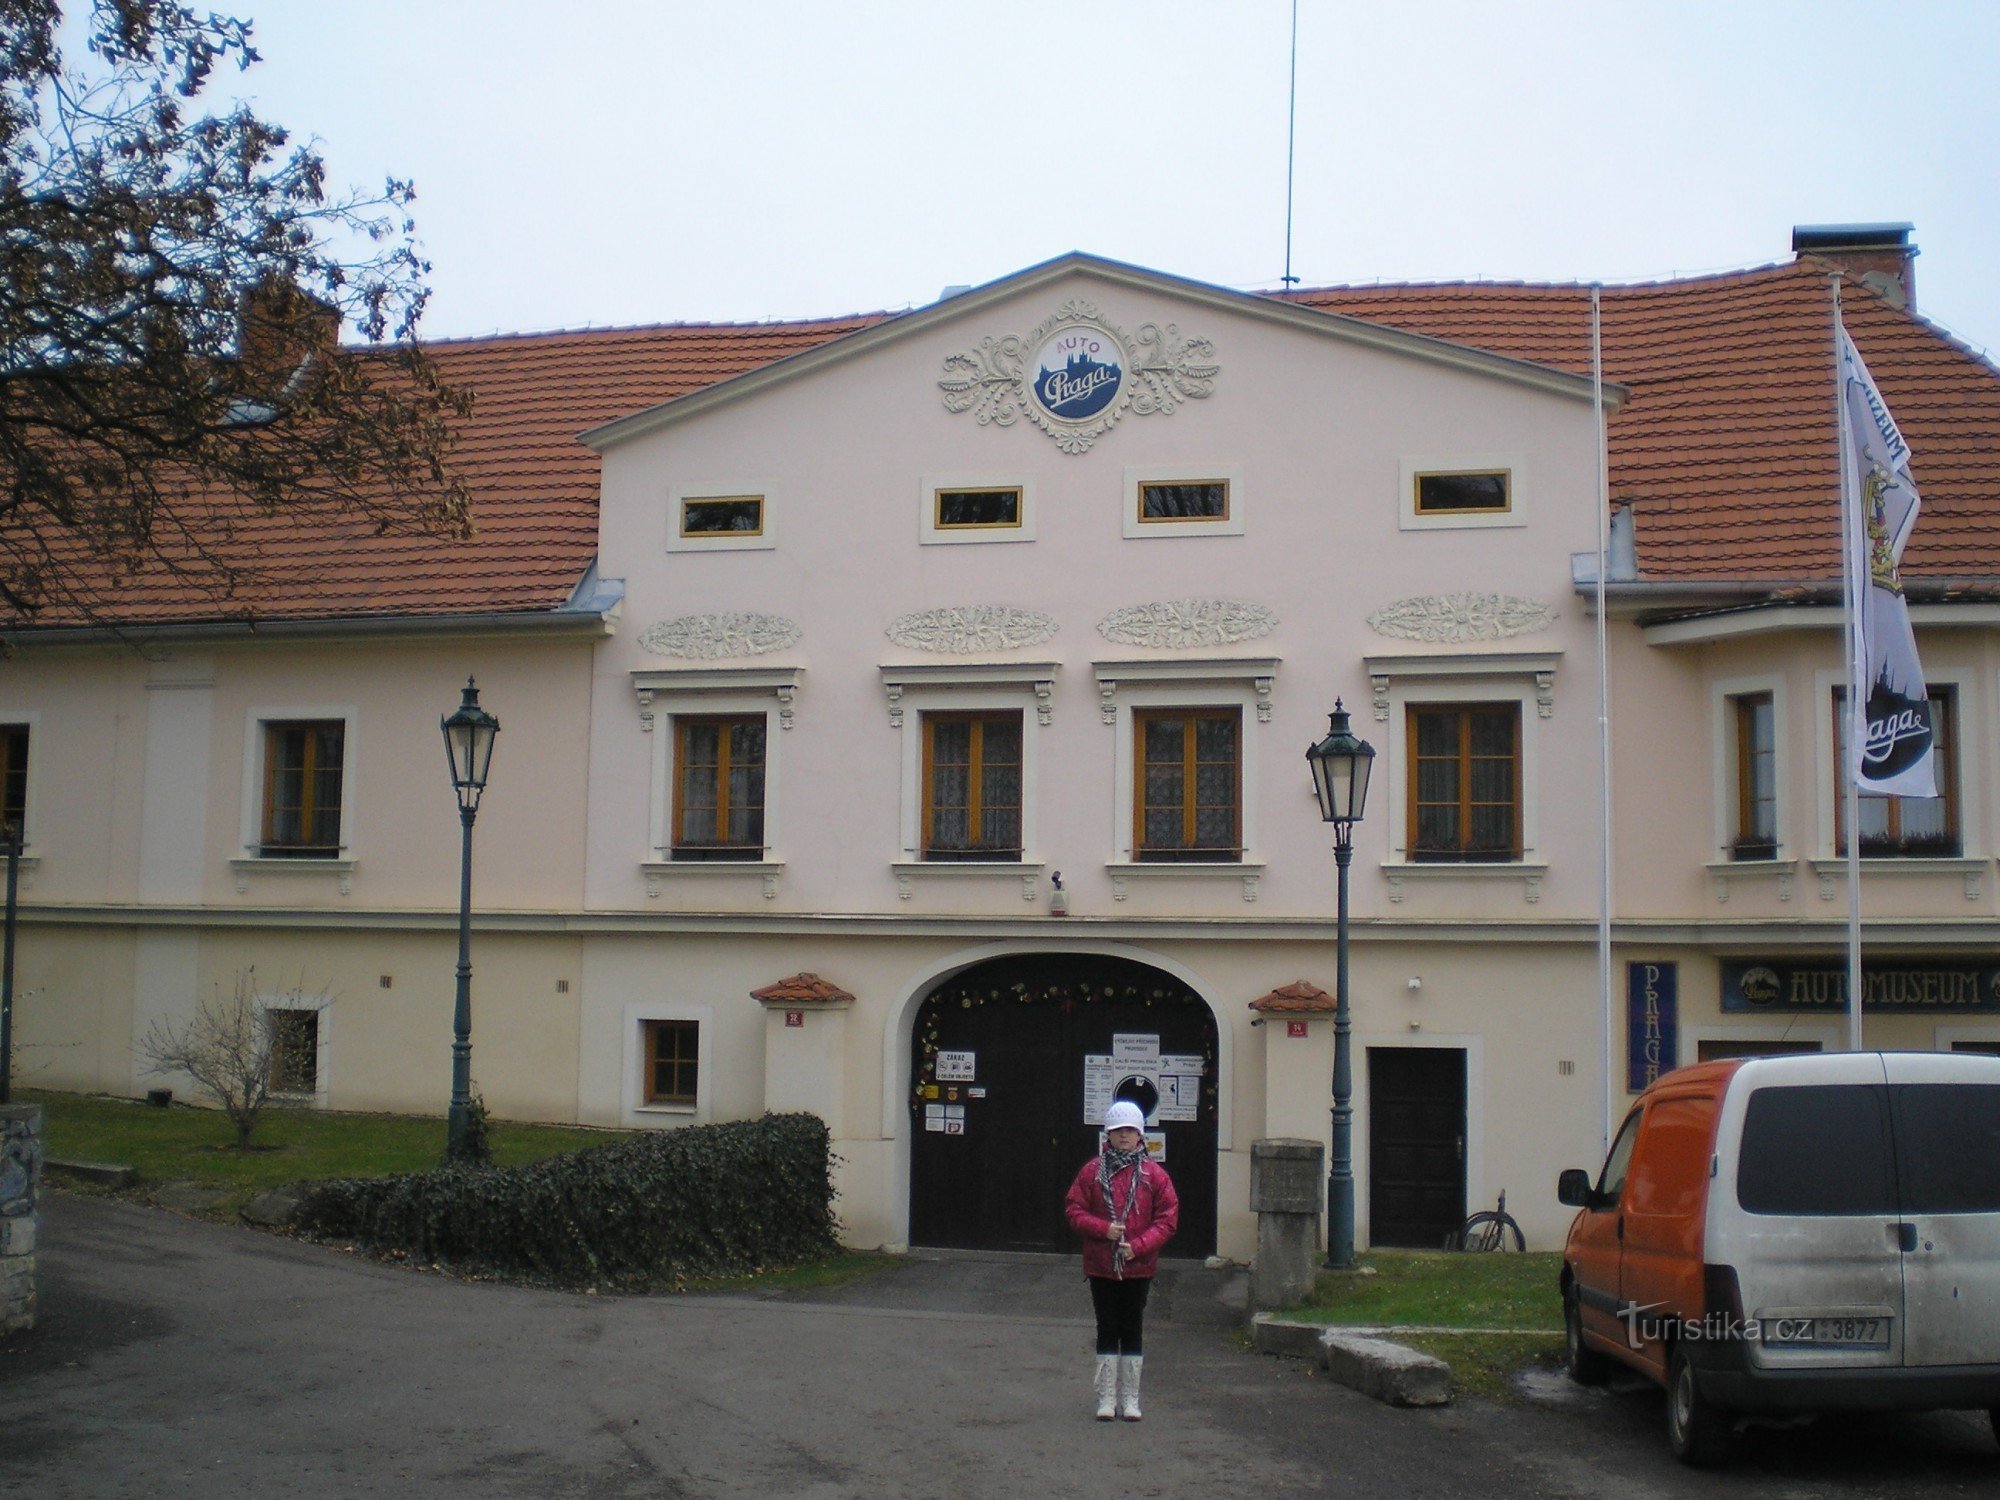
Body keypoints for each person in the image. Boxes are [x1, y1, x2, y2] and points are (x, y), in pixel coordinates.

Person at [1063, 1098, 1180, 1421]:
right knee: (1106, 1327)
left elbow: (1167, 1218)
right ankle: (1106, 1398)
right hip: (1101, 1265)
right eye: (1118, 1131)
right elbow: (1074, 1209)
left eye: (1130, 1131)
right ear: (1108, 1136)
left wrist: (1138, 1246)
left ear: (1141, 1135)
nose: (1124, 1137)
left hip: (1138, 1267)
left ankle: (1130, 1399)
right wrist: (1104, 1230)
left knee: (1132, 1327)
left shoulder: (1154, 1176)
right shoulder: (1091, 1173)